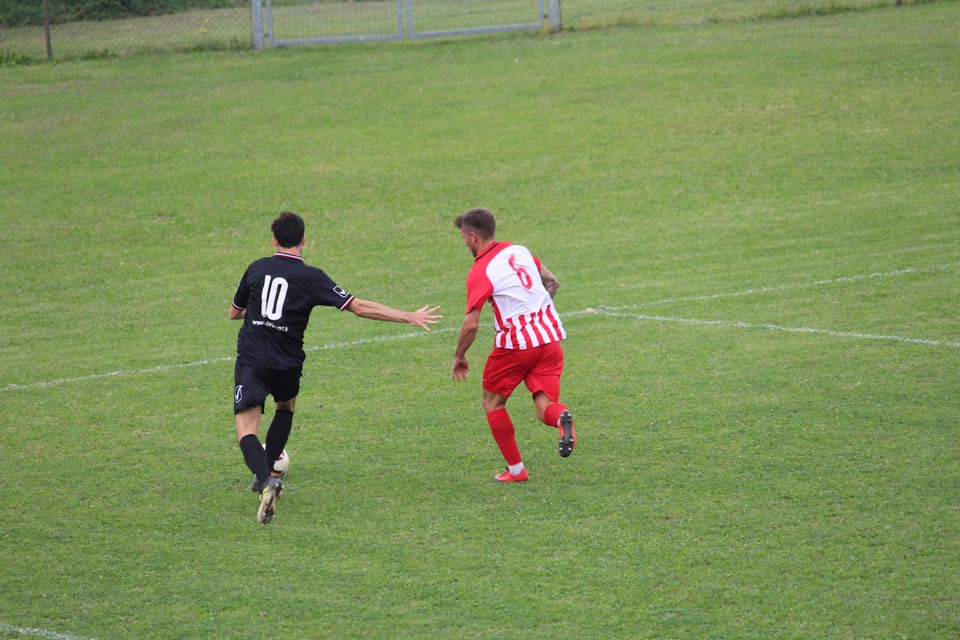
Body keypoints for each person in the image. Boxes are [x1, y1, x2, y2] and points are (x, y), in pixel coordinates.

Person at [230, 211, 441, 523]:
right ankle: (271, 470)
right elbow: (358, 307)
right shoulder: (313, 277)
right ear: (304, 240)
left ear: (274, 240)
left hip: (253, 359)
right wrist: (407, 316)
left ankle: (264, 480)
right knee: (285, 407)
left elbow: (234, 312)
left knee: (247, 429)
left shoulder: (256, 268)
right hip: (287, 362)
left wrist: (257, 313)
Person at [451, 207, 575, 483]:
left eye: (464, 238)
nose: (464, 243)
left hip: (515, 346)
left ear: (473, 237)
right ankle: (562, 419)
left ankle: (517, 471)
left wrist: (460, 355)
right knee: (545, 405)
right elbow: (552, 282)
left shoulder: (481, 270)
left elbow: (471, 324)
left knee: (492, 402)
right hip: (549, 339)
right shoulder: (519, 251)